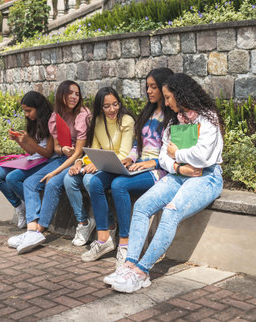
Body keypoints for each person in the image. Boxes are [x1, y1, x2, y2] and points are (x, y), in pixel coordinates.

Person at [105, 73, 224, 293]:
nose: (166, 102)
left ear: (181, 95)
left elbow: (204, 157)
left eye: (169, 97)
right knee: (141, 207)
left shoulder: (208, 118)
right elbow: (162, 157)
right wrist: (179, 166)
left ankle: (142, 272)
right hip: (179, 174)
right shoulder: (175, 120)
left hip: (206, 176)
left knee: (171, 211)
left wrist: (178, 153)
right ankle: (129, 265)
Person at [7, 80, 91, 254]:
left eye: (77, 93)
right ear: (61, 95)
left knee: (52, 183)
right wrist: (63, 149)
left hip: (80, 159)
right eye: (70, 93)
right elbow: (57, 148)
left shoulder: (83, 115)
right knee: (30, 182)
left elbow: (78, 153)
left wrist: (55, 171)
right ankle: (31, 230)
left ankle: (39, 230)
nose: (74, 97)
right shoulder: (56, 116)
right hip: (63, 157)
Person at [109, 68, 174, 268]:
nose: (149, 91)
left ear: (165, 87)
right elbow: (138, 144)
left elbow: (171, 150)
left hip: (160, 169)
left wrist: (153, 163)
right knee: (113, 179)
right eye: (147, 87)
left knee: (119, 184)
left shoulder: (173, 115)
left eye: (153, 87)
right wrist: (129, 158)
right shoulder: (147, 112)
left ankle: (125, 242)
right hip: (140, 165)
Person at [64, 87, 135, 263]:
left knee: (91, 180)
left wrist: (97, 164)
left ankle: (108, 229)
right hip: (103, 163)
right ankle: (86, 224)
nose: (112, 110)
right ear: (100, 107)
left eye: (115, 104)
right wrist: (80, 161)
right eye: (107, 106)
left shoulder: (126, 120)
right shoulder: (97, 121)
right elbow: (95, 151)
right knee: (69, 178)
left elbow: (123, 155)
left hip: (118, 166)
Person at [0, 91, 53, 229]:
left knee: (12, 178)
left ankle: (33, 208)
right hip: (33, 159)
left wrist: (31, 141)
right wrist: (19, 141)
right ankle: (20, 206)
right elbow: (31, 151)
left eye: (29, 111)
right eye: (25, 111)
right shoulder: (33, 122)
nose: (26, 115)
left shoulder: (50, 122)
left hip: (46, 162)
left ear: (39, 108)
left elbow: (48, 153)